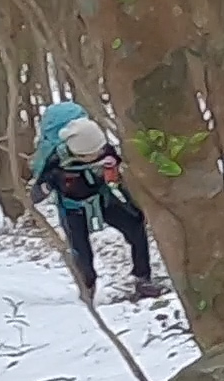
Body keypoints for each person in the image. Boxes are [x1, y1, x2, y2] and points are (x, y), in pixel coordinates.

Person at [29, 101, 165, 300]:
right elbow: (35, 195)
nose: (100, 154)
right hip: (73, 209)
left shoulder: (102, 148)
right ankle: (88, 287)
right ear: (79, 153)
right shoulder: (55, 162)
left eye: (101, 150)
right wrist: (47, 186)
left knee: (135, 225)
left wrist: (117, 176)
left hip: (102, 199)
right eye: (95, 153)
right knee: (81, 251)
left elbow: (119, 173)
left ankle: (142, 279)